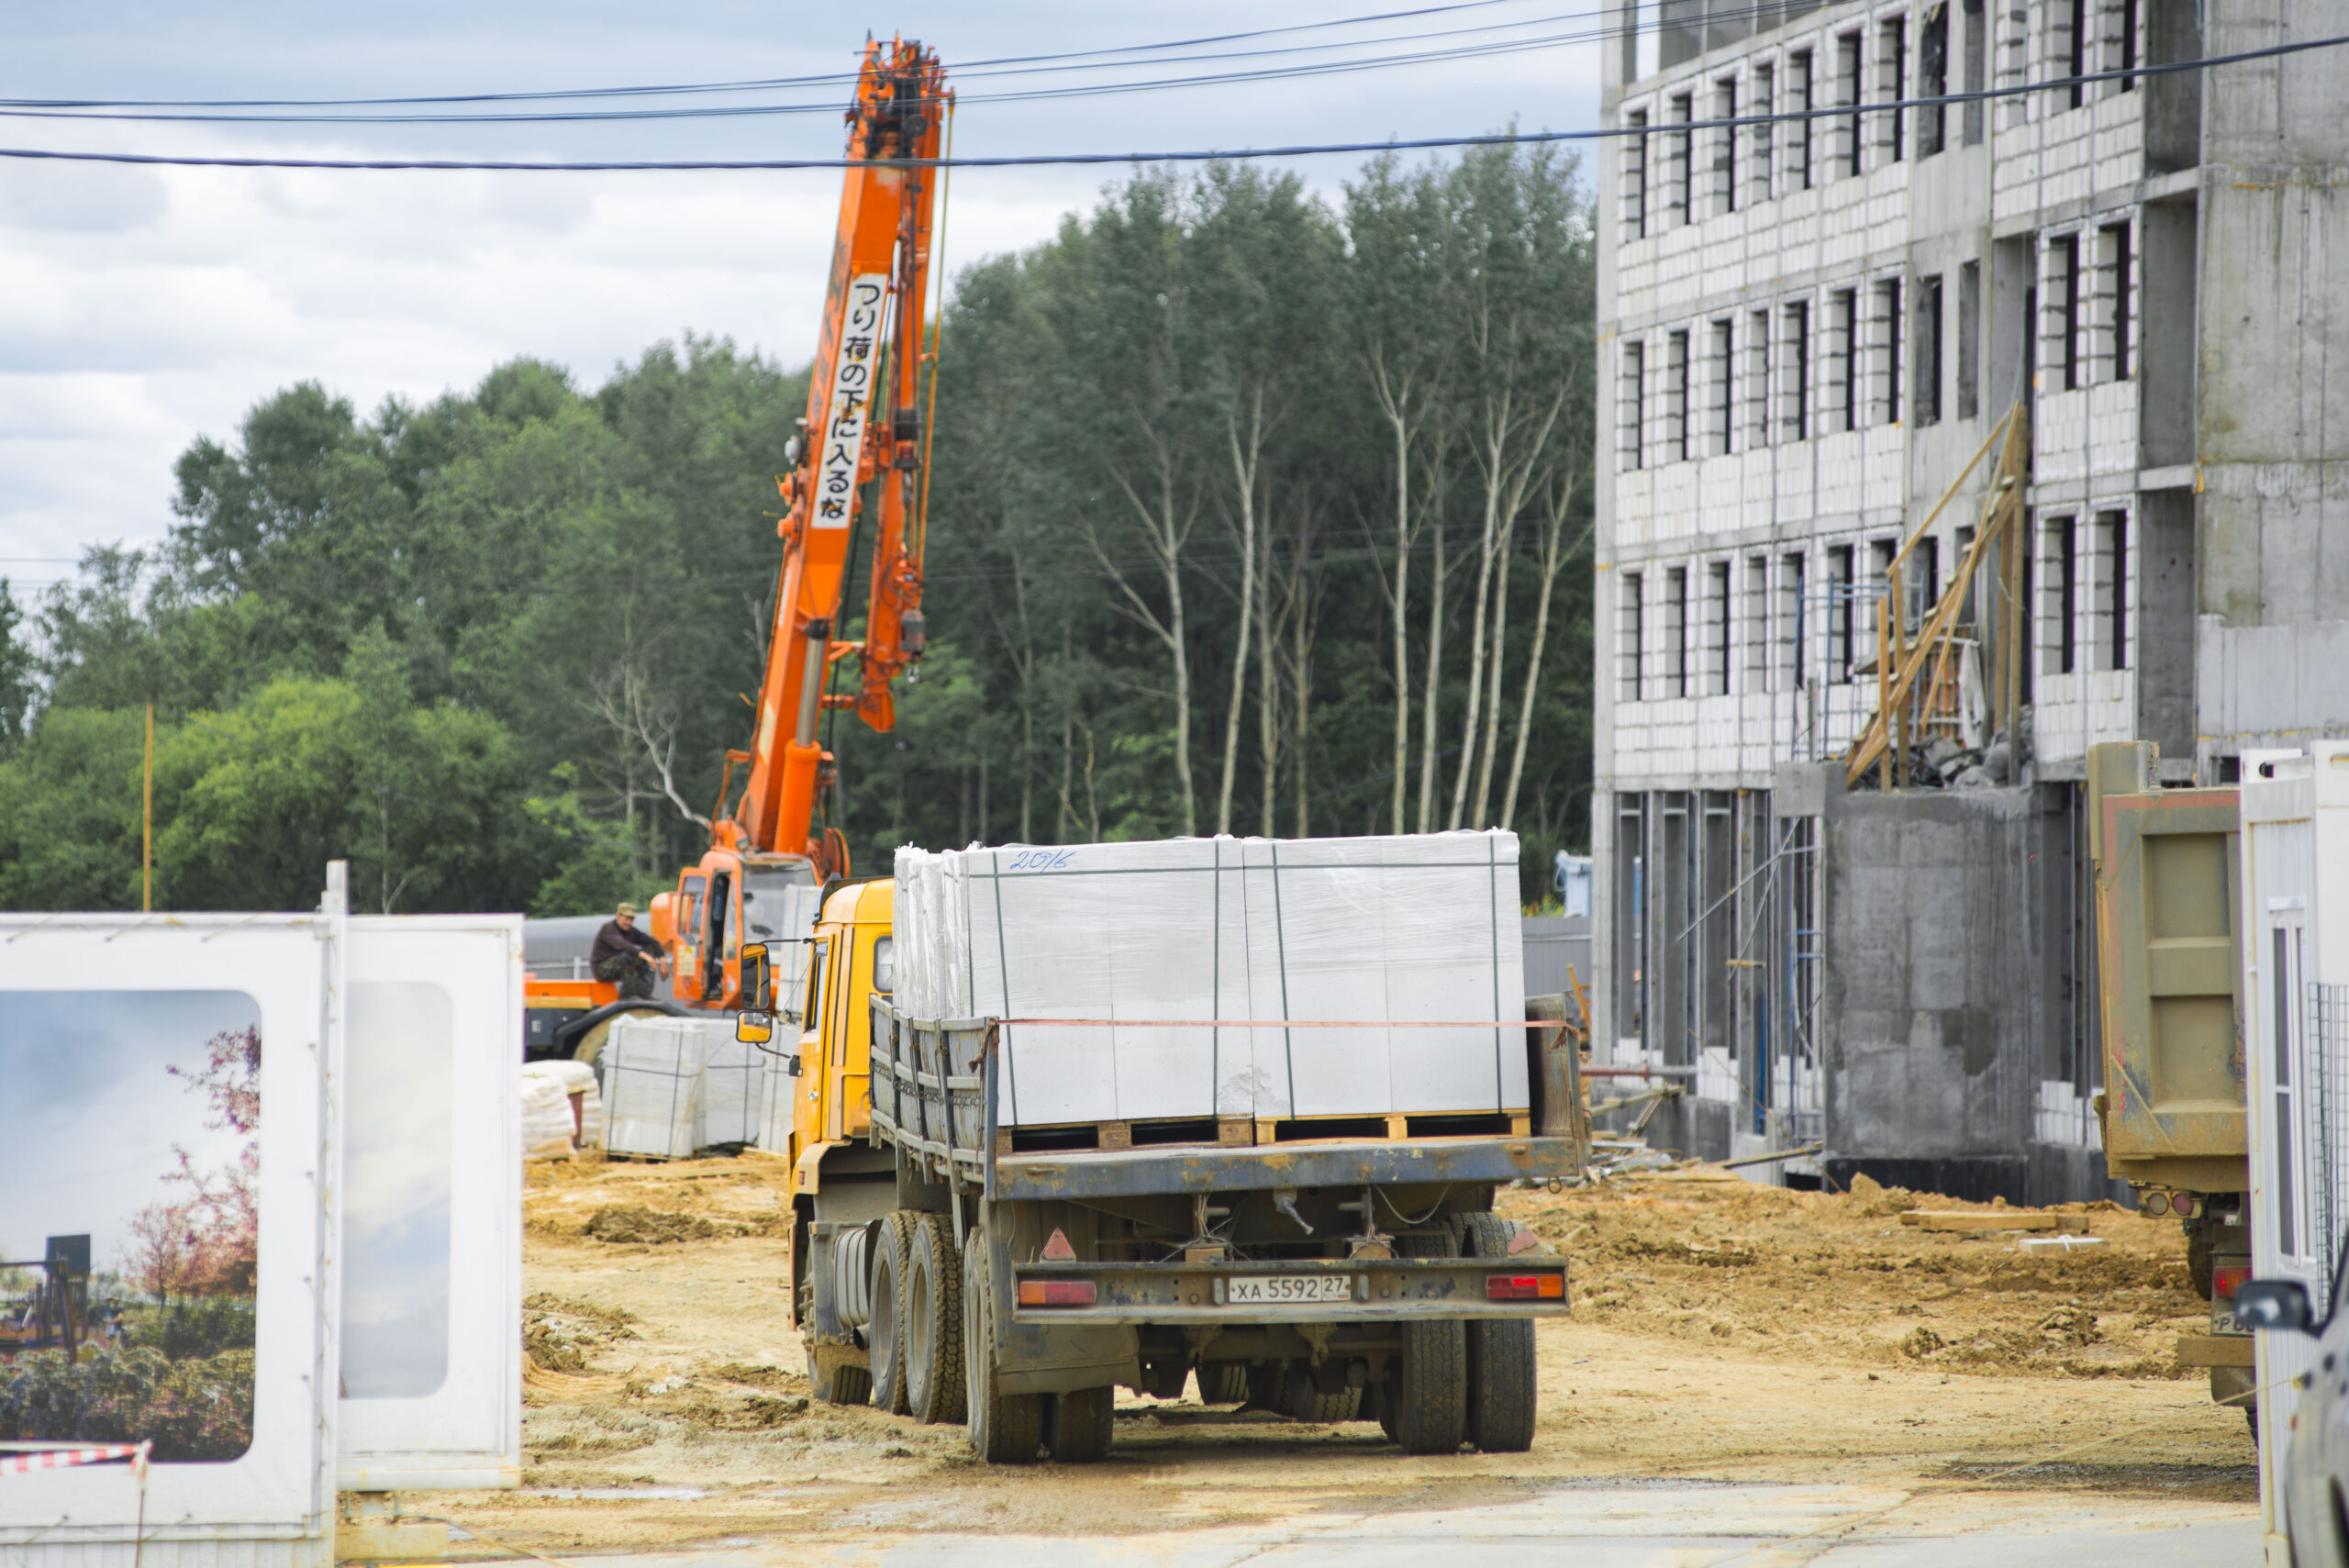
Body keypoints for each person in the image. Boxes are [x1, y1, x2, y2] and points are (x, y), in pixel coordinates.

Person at [591, 902, 670, 999]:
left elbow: (653, 942)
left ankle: (644, 993)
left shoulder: (631, 931)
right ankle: (627, 995)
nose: (629, 922)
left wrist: (663, 961)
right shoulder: (608, 929)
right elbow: (621, 945)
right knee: (629, 955)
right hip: (602, 969)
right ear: (618, 916)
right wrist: (645, 957)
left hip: (621, 966)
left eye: (631, 919)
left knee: (650, 949)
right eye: (626, 919)